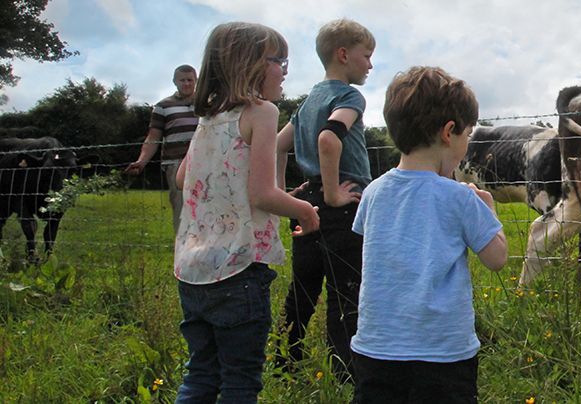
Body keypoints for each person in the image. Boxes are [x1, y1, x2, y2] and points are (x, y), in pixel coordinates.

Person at [173, 21, 319, 402]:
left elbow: (182, 178)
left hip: (192, 272)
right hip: (239, 271)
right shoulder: (262, 112)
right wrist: (303, 210)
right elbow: (261, 194)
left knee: (201, 376)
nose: (285, 70)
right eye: (279, 61)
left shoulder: (208, 119)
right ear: (250, 65)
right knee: (240, 381)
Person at [349, 66, 507, 403]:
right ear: (449, 132)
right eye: (467, 135)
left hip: (376, 349)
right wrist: (489, 210)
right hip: (443, 354)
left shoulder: (373, 192)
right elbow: (496, 259)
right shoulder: (460, 197)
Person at [273, 18, 373, 383]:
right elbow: (330, 139)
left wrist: (281, 192)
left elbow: (277, 145)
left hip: (306, 202)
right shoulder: (349, 96)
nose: (370, 64)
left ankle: (284, 363)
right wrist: (333, 195)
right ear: (343, 55)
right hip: (340, 203)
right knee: (346, 292)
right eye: (367, 55)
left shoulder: (308, 101)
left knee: (303, 287)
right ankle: (345, 374)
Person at [124, 64, 198, 233]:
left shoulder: (207, 105)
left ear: (196, 81)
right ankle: (183, 252)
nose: (186, 84)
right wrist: (141, 162)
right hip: (176, 164)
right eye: (182, 80)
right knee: (181, 211)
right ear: (174, 82)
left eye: (190, 80)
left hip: (204, 162)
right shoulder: (163, 106)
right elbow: (153, 137)